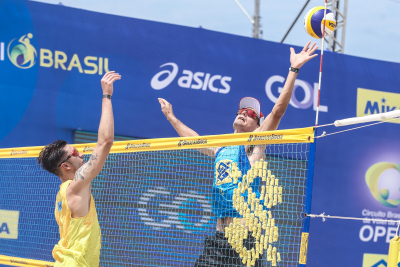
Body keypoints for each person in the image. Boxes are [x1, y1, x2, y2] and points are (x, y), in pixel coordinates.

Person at [158, 41, 318, 267]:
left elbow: (278, 110)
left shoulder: (255, 144)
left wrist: (293, 70)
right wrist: (171, 117)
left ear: (257, 124)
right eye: (241, 110)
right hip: (219, 241)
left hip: (245, 242)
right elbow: (193, 139)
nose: (244, 113)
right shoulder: (222, 148)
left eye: (251, 113)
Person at [37, 71, 121, 267]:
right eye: (74, 152)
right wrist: (107, 96)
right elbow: (105, 142)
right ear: (65, 166)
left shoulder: (62, 193)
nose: (81, 154)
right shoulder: (75, 186)